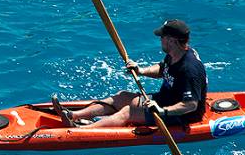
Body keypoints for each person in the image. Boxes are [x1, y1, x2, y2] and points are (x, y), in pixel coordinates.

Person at [52, 19, 207, 128]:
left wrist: (162, 111)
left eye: (162, 37)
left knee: (129, 111)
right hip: (166, 99)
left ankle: (81, 131)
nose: (160, 40)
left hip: (182, 115)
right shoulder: (176, 53)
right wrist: (141, 71)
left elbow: (190, 105)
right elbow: (162, 68)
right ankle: (73, 116)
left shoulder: (189, 69)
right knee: (123, 97)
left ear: (172, 40)